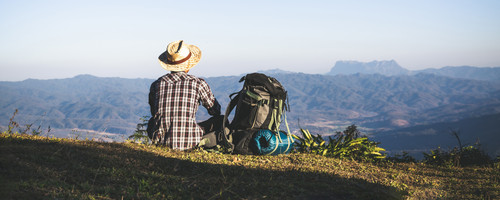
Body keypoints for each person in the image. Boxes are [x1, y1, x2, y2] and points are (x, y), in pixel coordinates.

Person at [147, 40, 221, 150]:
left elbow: (154, 113)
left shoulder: (156, 84)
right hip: (191, 142)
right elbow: (215, 111)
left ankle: (161, 142)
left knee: (151, 122)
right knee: (220, 120)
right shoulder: (198, 83)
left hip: (162, 142)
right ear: (188, 65)